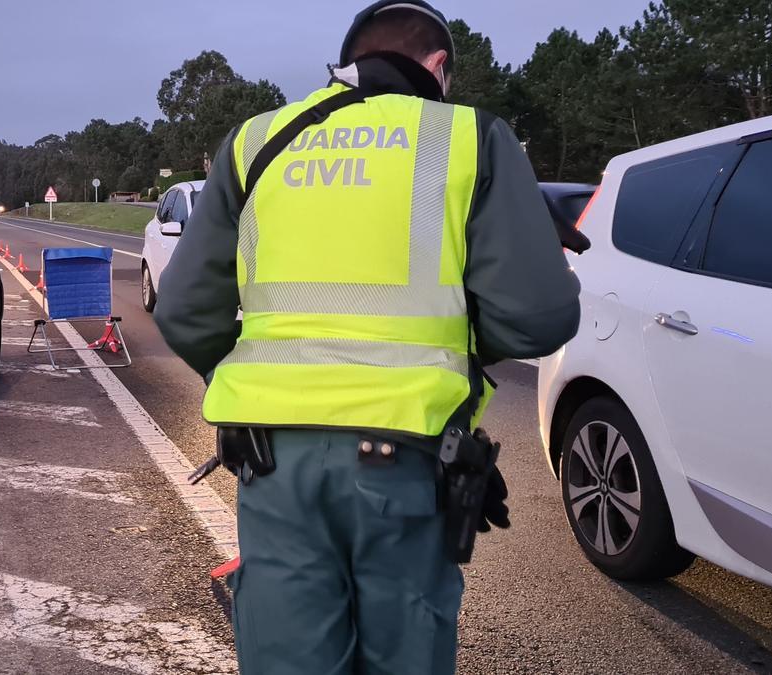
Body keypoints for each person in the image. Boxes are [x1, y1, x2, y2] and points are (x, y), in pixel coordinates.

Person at [154, 1, 581, 672]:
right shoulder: (470, 137)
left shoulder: (255, 141)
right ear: (438, 66)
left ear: (349, 61)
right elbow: (539, 318)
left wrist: (250, 382)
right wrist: (459, 350)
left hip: (273, 461)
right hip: (407, 458)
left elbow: (183, 312)